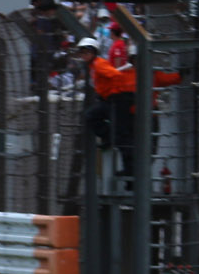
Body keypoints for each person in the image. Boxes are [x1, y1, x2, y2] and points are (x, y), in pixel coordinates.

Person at [76, 36, 181, 176]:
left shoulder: (149, 74)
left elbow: (169, 79)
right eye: (135, 59)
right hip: (132, 114)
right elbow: (115, 81)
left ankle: (136, 172)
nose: (139, 62)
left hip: (141, 113)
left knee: (138, 146)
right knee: (125, 141)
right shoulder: (130, 73)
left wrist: (180, 75)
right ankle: (131, 171)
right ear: (131, 60)